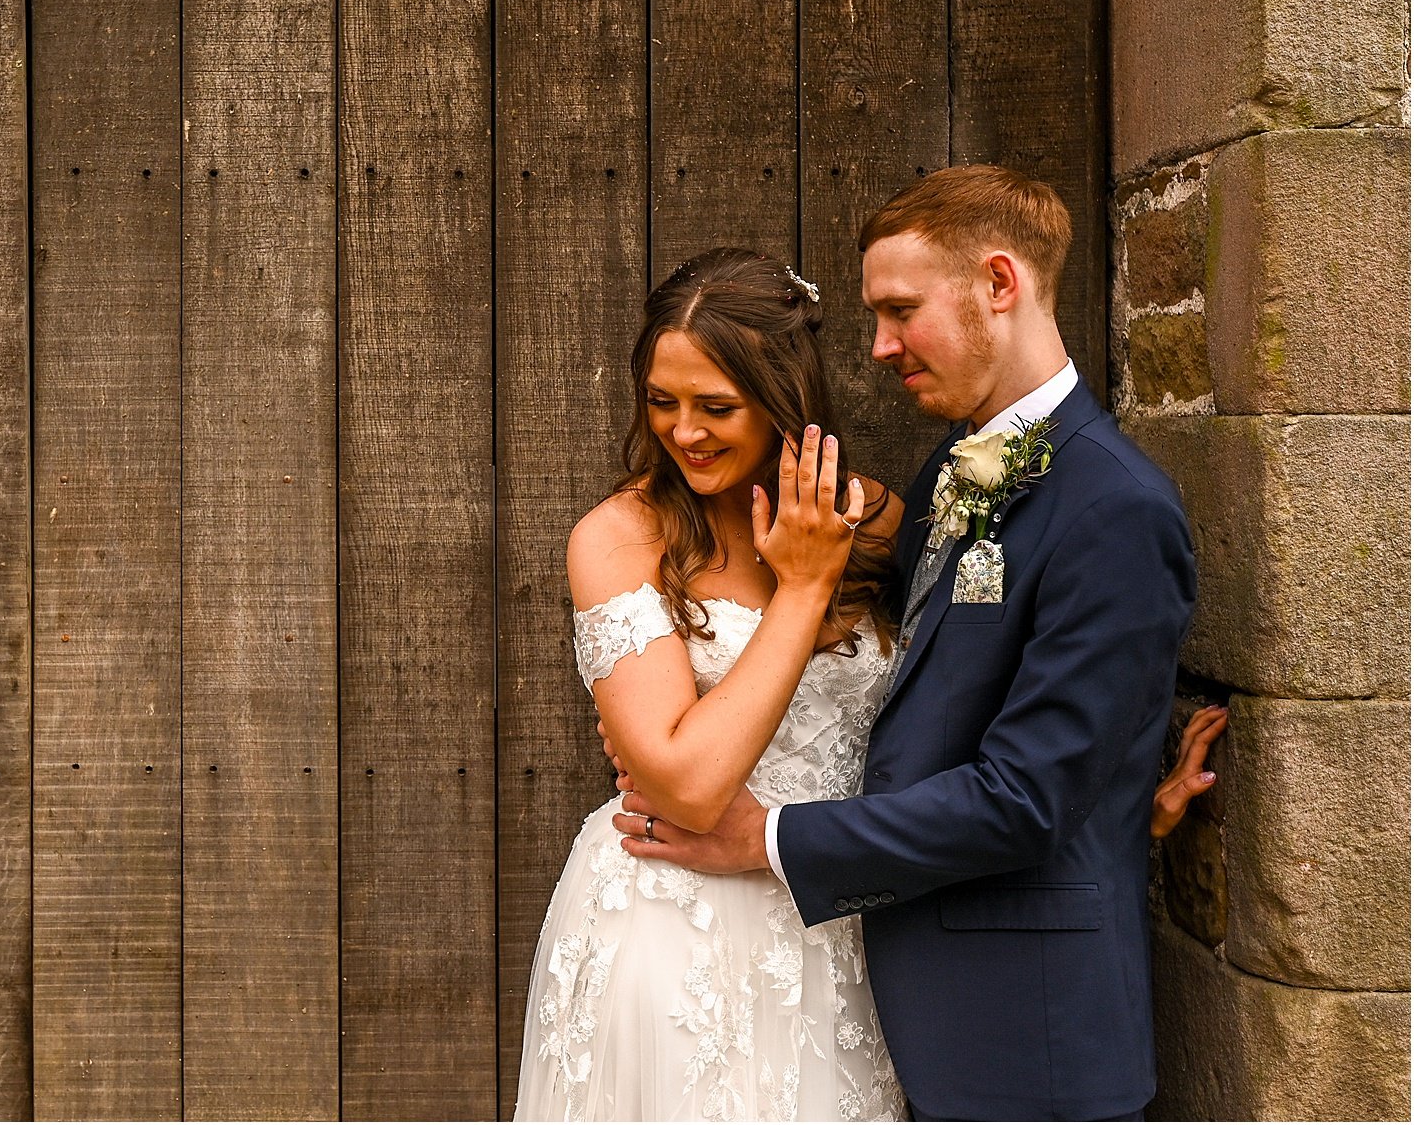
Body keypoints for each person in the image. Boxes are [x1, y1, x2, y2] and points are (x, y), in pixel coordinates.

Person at [515, 238, 1222, 1121]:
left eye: (717, 406)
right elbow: (691, 785)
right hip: (674, 924)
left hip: (847, 927)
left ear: (784, 402)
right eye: (661, 402)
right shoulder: (621, 537)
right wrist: (804, 588)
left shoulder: (887, 516)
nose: (683, 430)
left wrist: (1117, 801)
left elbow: (973, 691)